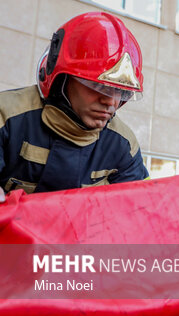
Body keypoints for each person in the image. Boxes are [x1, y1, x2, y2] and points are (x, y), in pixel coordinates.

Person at [0, 11, 149, 202]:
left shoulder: (123, 145)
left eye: (122, 92)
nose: (111, 102)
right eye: (99, 86)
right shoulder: (6, 116)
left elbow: (140, 211)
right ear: (62, 79)